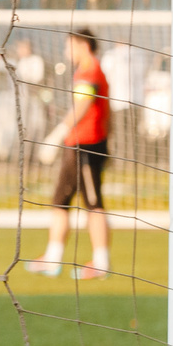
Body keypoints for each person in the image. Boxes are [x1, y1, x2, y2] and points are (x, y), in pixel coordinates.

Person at [32, 27, 112, 279]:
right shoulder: (84, 71)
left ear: (82, 45)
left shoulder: (90, 71)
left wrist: (57, 134)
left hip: (86, 146)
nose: (66, 51)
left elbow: (83, 105)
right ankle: (53, 258)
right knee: (60, 201)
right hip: (77, 145)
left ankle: (101, 262)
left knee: (93, 204)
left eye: (69, 45)